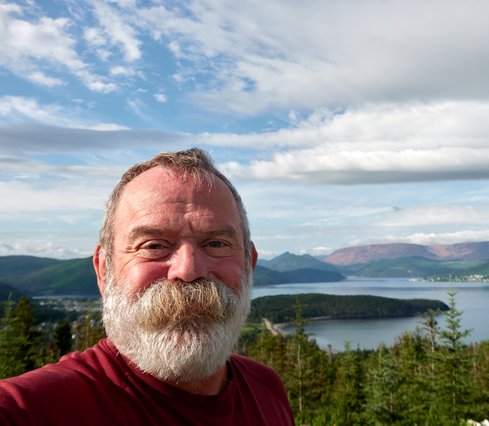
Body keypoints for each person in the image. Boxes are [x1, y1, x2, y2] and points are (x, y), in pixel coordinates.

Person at [0, 148, 294, 425]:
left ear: (249, 263)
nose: (188, 271)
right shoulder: (29, 410)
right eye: (153, 245)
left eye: (216, 243)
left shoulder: (267, 387)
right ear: (104, 269)